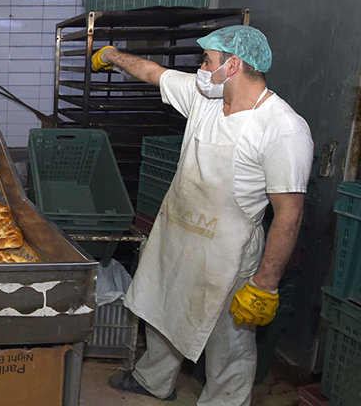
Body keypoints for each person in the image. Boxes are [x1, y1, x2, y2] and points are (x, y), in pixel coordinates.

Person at [92, 25, 313, 405]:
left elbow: (289, 215)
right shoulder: (205, 99)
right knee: (164, 311)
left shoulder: (283, 129)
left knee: (227, 343)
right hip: (178, 232)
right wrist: (111, 55)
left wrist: (265, 284)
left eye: (206, 60)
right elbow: (150, 71)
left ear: (232, 65)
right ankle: (153, 380)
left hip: (226, 253)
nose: (200, 68)